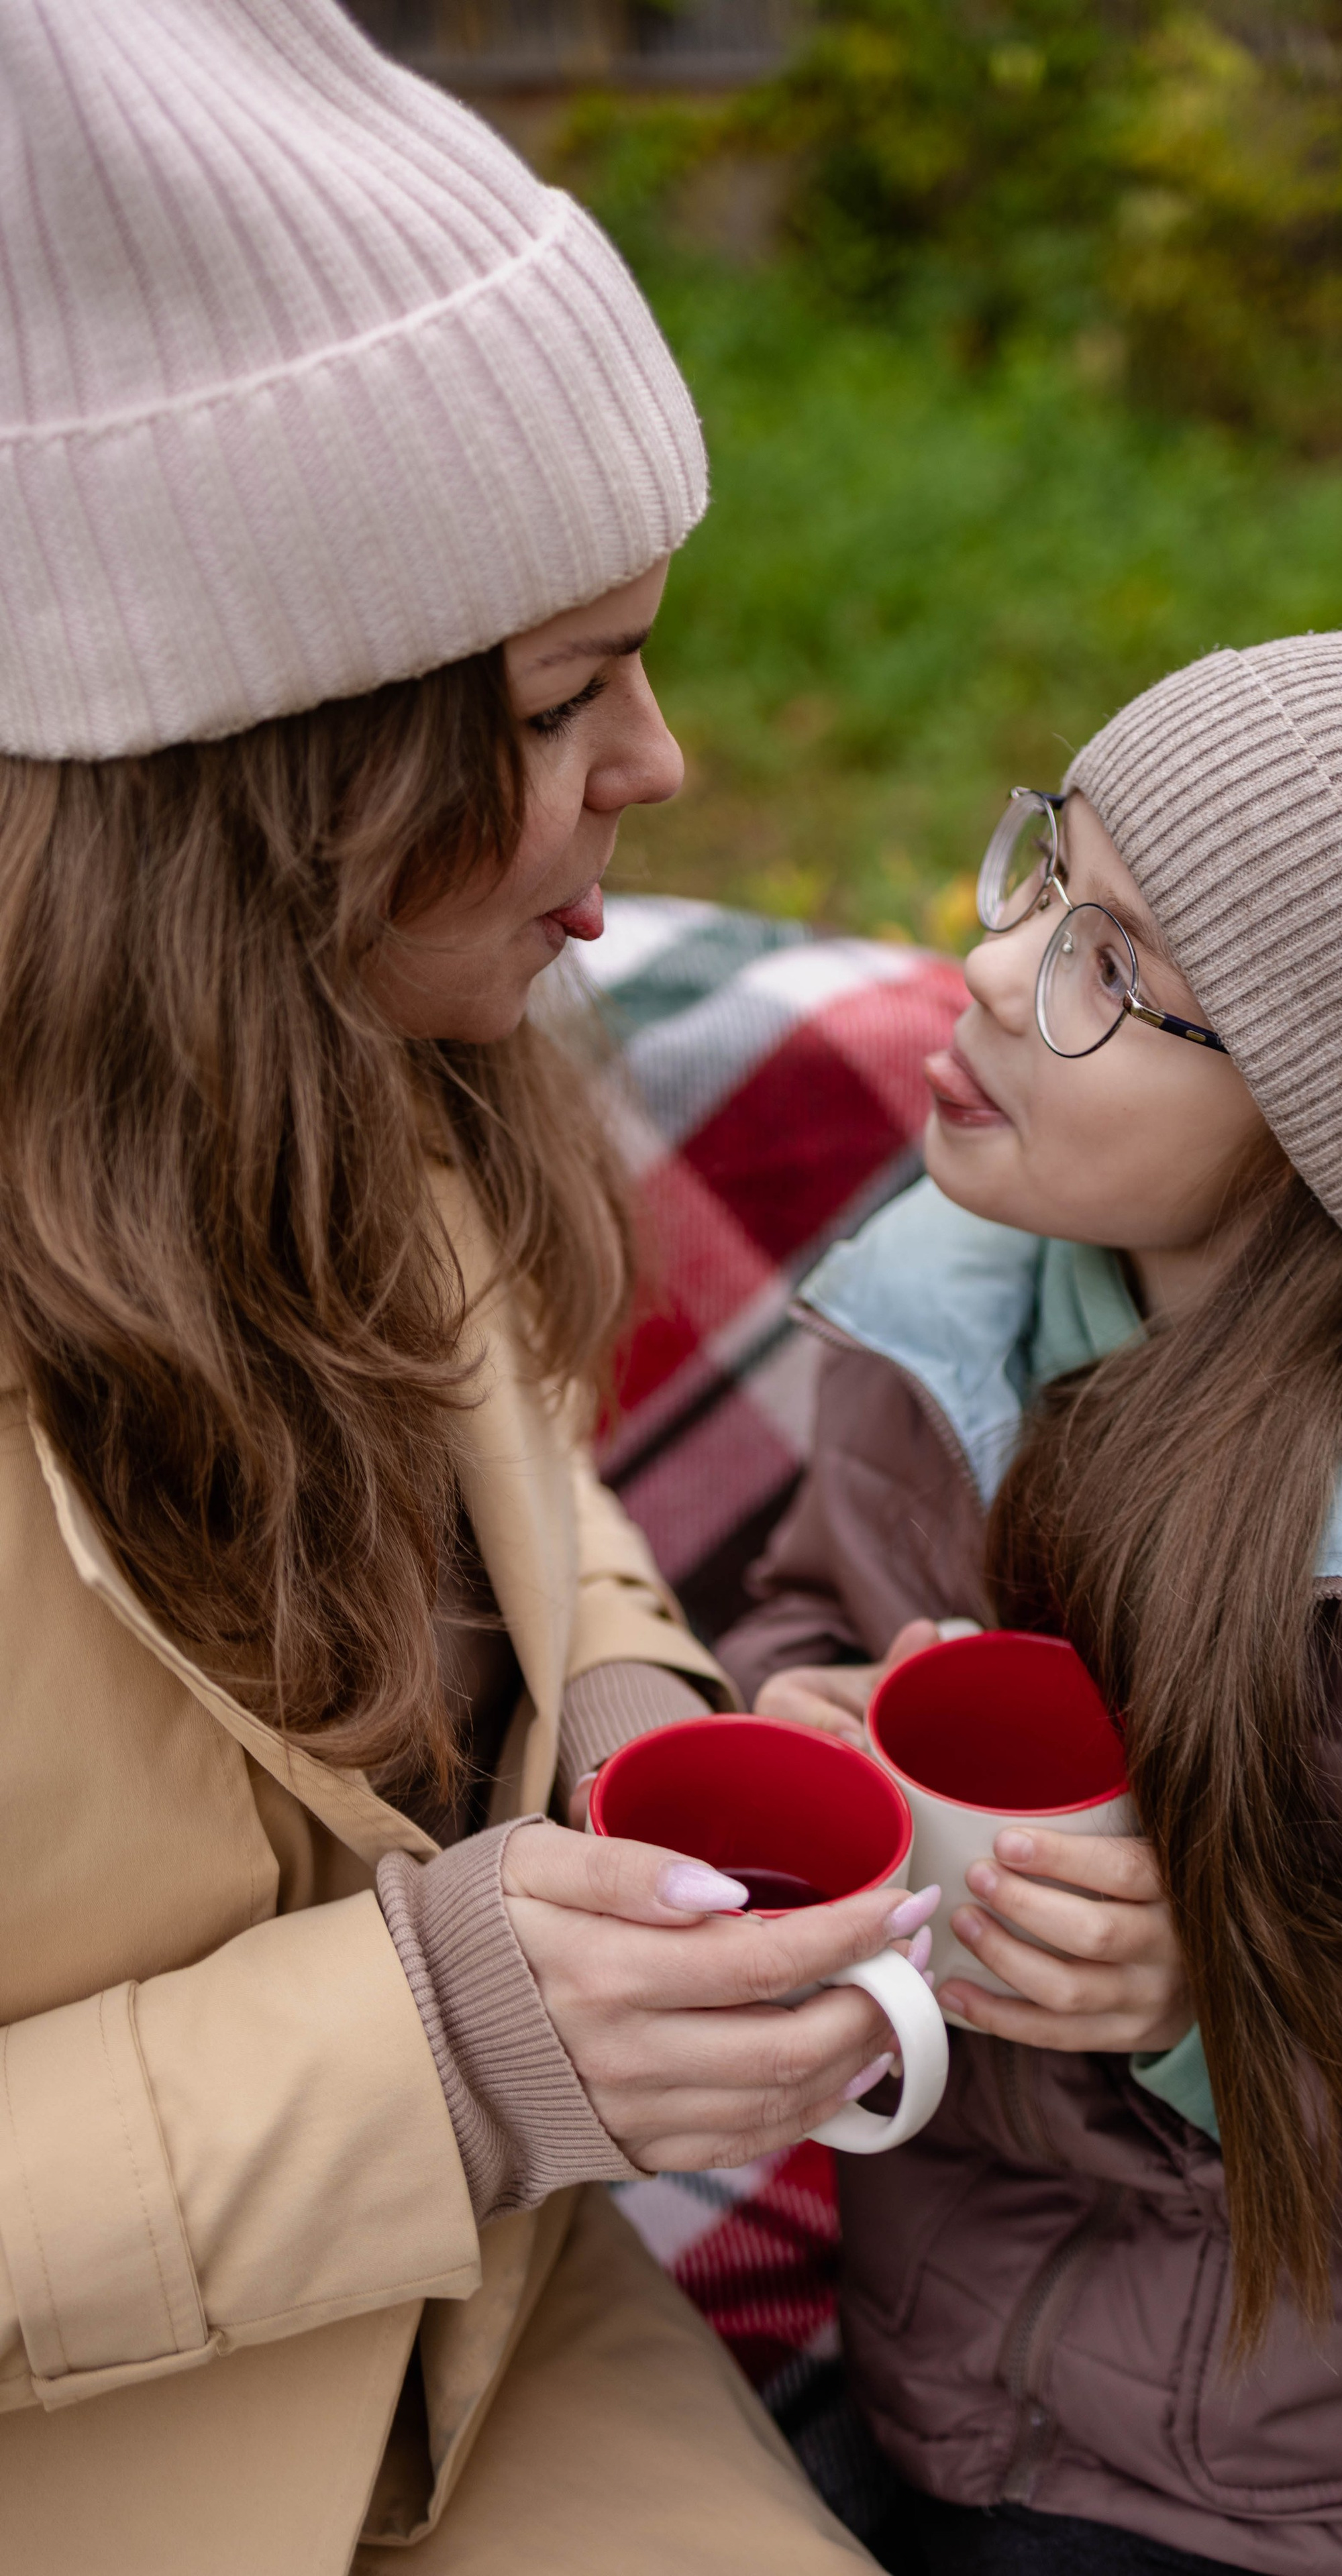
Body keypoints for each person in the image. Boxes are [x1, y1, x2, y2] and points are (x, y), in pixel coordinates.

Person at [0, 5, 933, 2569]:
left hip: (469, 2343)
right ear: (233, 789)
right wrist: (436, 2049)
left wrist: (628, 1712)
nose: (662, 764)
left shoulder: (371, 1059)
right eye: (558, 693)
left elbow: (514, 1497)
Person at [719, 584, 1342, 2575]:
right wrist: (798, 1720)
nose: (991, 973)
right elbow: (805, 1612)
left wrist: (1217, 2008)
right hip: (958, 2388)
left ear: (1338, 1128)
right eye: (1039, 880)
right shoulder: (954, 1323)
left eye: (1113, 965)